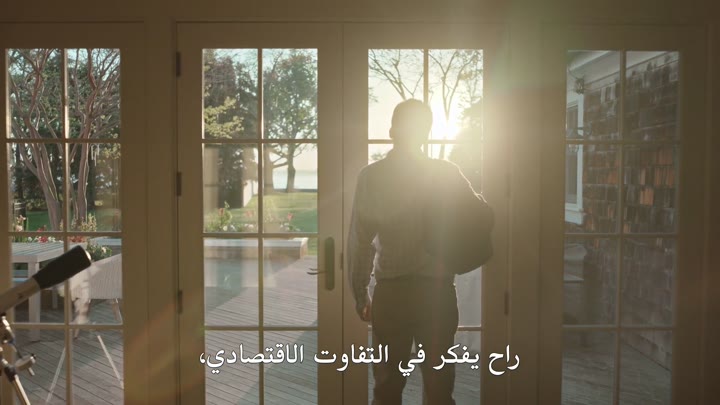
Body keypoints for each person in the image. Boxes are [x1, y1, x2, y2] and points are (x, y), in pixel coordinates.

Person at [348, 99, 478, 405]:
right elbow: (479, 216)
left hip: (392, 294)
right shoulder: (446, 173)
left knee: (387, 387)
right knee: (439, 387)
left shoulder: (372, 177)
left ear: (392, 131)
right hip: (437, 294)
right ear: (426, 132)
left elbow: (360, 241)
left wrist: (360, 293)